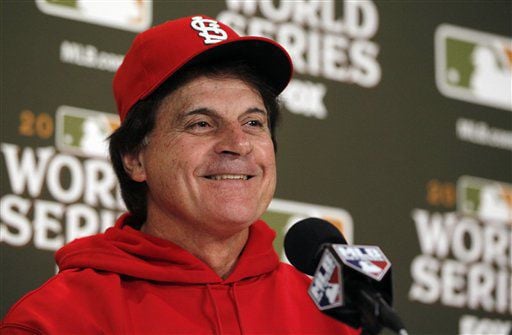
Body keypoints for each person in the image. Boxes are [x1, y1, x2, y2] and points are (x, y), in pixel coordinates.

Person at [1, 15, 360, 334]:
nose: (237, 144)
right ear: (134, 158)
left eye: (253, 123)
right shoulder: (57, 321)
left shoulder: (331, 317)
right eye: (201, 123)